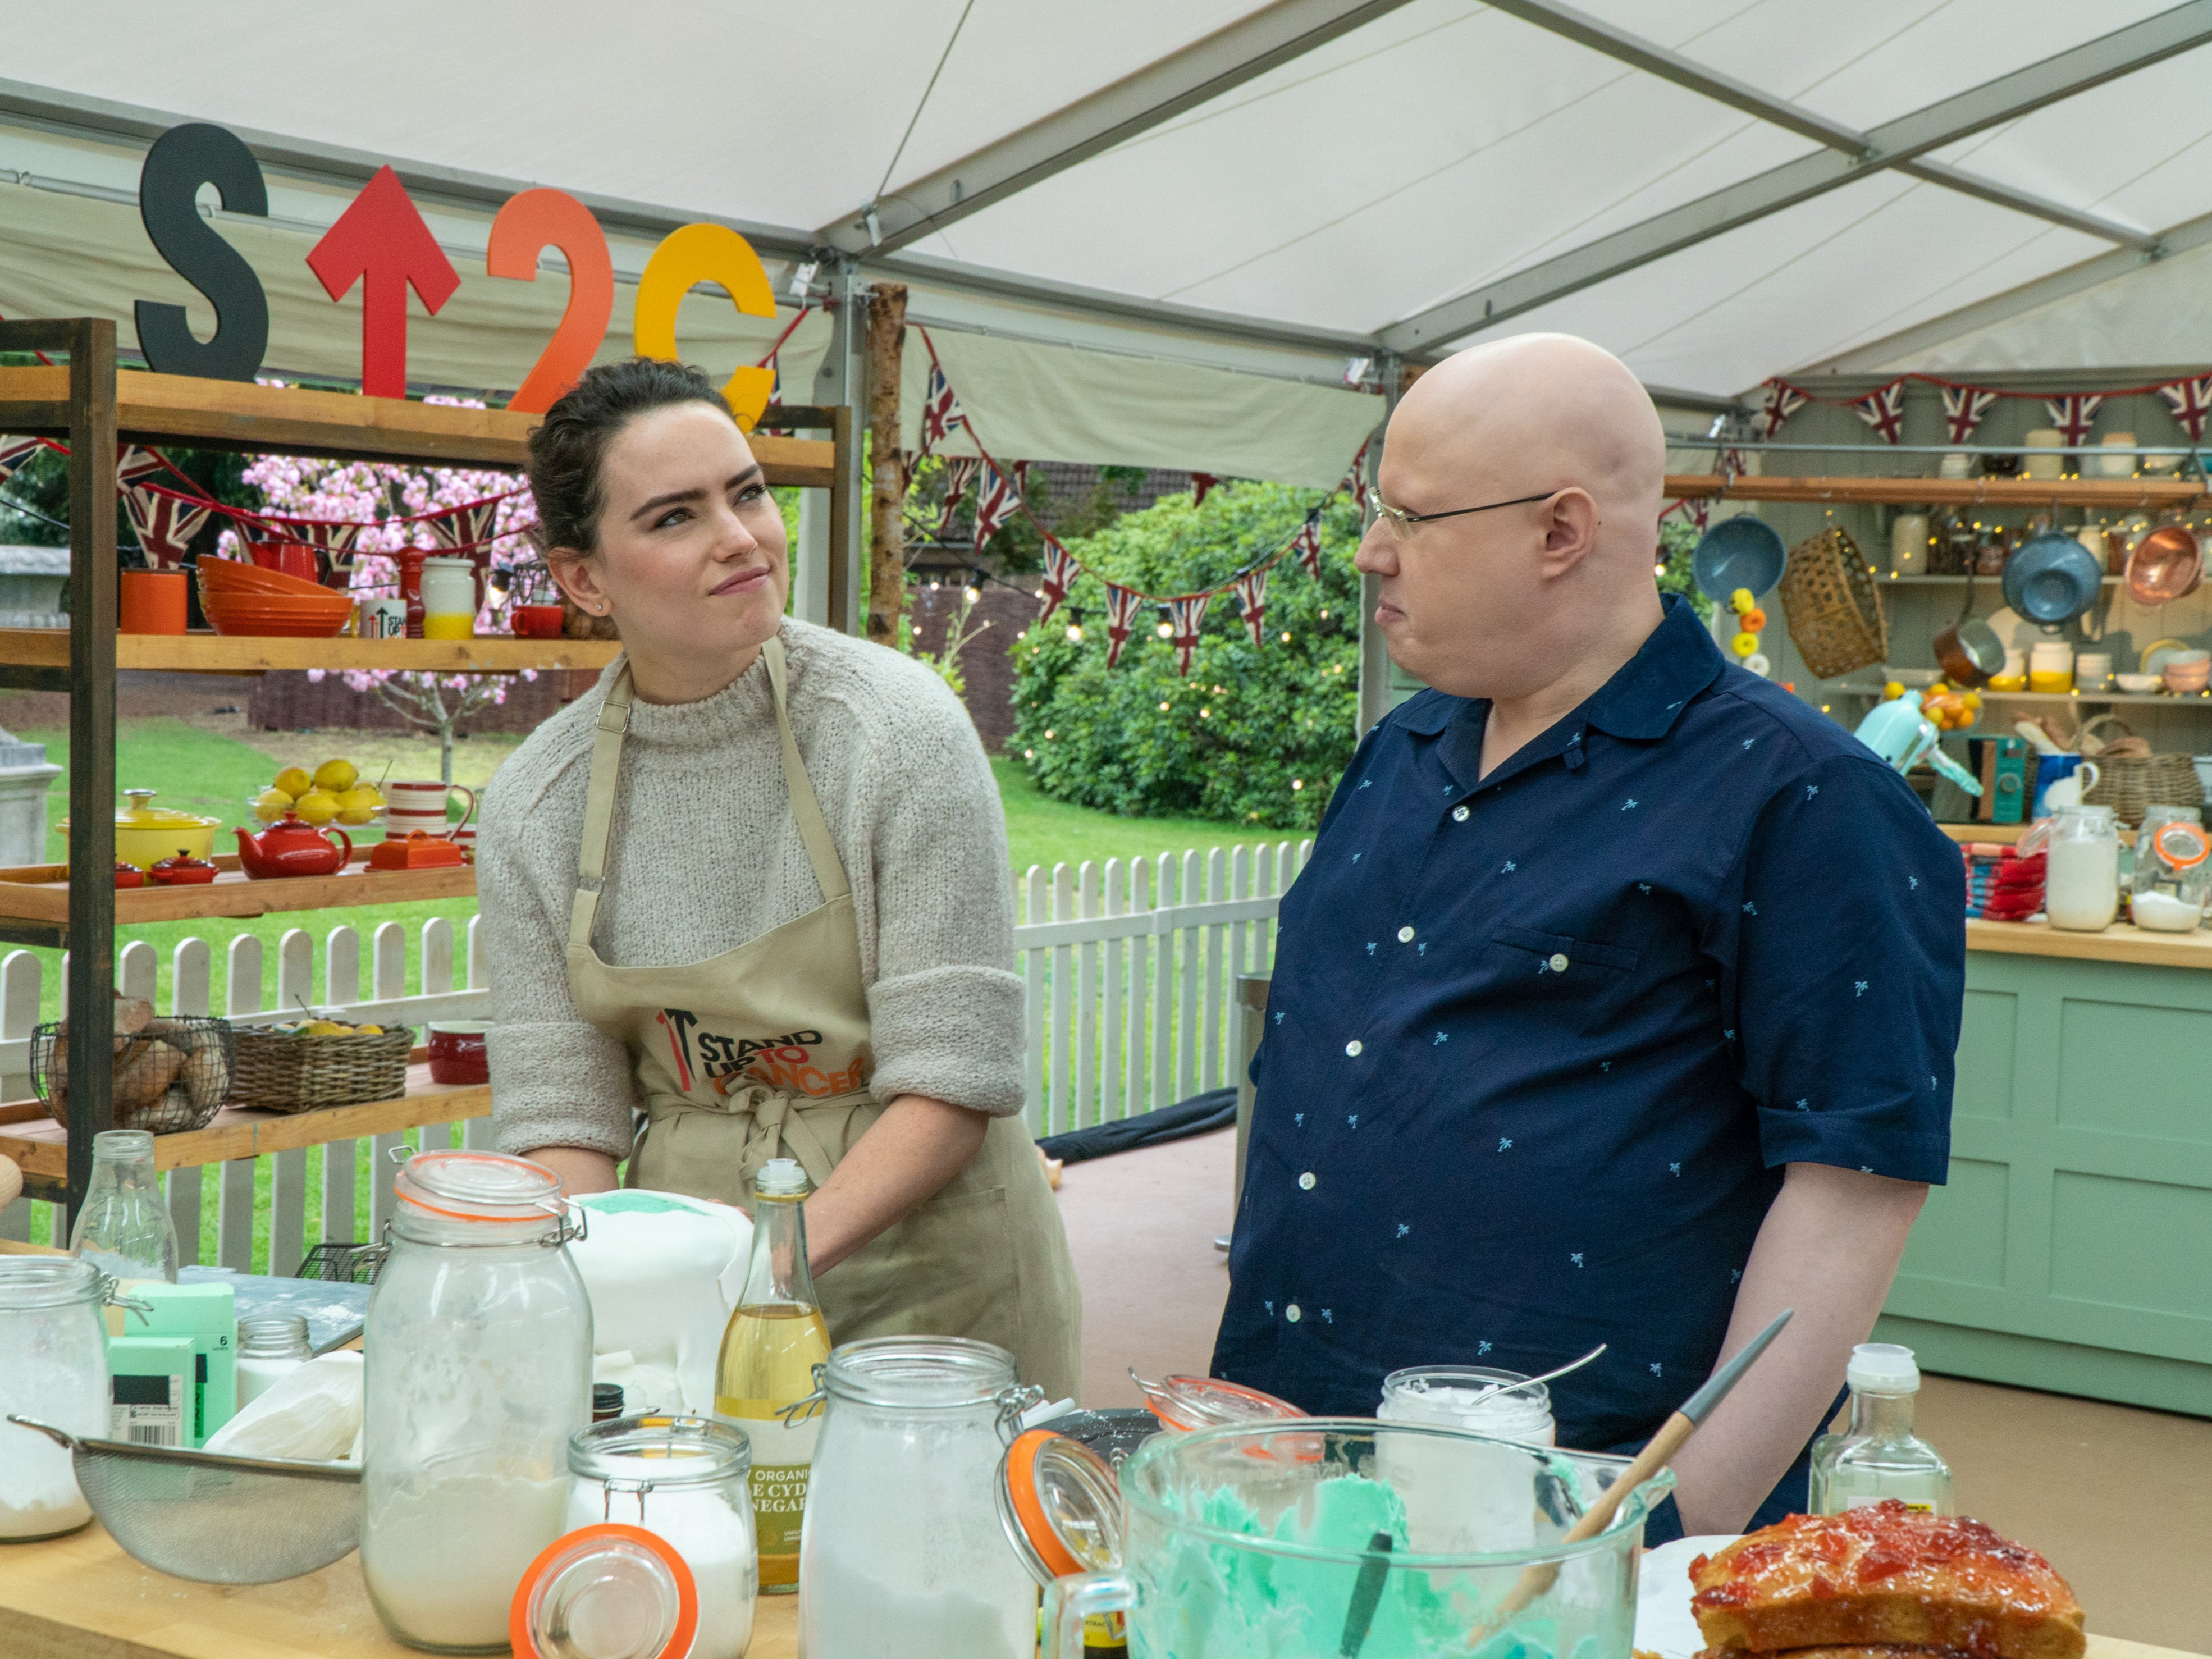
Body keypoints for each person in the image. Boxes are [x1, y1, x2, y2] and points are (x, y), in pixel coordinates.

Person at [1210, 333, 1963, 1538]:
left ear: (1560, 532)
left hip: (1566, 1510)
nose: (1369, 554)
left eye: (1412, 515)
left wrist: (1658, 1537)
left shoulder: (1804, 799)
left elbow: (1853, 1193)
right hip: (1296, 1459)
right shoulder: (1400, 752)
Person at [479, 358, 1081, 1400]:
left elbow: (954, 1081)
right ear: (584, 578)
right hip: (687, 1291)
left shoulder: (896, 731)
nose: (741, 538)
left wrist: (767, 1267)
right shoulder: (536, 803)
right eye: (675, 517)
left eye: (747, 491)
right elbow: (563, 1122)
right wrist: (610, 1290)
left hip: (938, 1287)